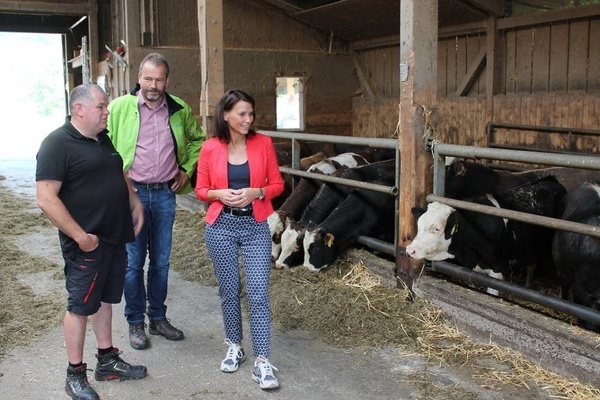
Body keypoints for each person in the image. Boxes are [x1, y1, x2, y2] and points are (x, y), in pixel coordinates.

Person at [36, 83, 147, 400]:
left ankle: (107, 360)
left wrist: (134, 201)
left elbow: (117, 172)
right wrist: (80, 236)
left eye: (106, 106)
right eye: (101, 106)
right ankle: (74, 374)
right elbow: (45, 198)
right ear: (79, 108)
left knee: (104, 300)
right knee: (80, 306)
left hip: (113, 238)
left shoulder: (102, 138)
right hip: (86, 244)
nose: (107, 111)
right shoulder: (56, 144)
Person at [107, 52, 205, 350]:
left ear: (167, 81)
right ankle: (135, 322)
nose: (153, 85)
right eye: (148, 78)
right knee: (133, 263)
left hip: (164, 193)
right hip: (132, 194)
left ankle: (158, 319)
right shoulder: (120, 108)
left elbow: (199, 139)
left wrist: (187, 171)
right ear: (139, 78)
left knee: (161, 262)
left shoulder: (178, 109)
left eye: (159, 79)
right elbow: (103, 142)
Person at [195, 89, 284, 390]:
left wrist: (255, 192)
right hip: (220, 226)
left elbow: (278, 184)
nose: (248, 119)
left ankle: (262, 361)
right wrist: (218, 194)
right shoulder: (210, 148)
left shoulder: (263, 143)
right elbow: (200, 190)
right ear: (226, 115)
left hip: (256, 225)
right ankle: (234, 344)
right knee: (229, 290)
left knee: (258, 293)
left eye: (251, 113)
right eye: (242, 114)